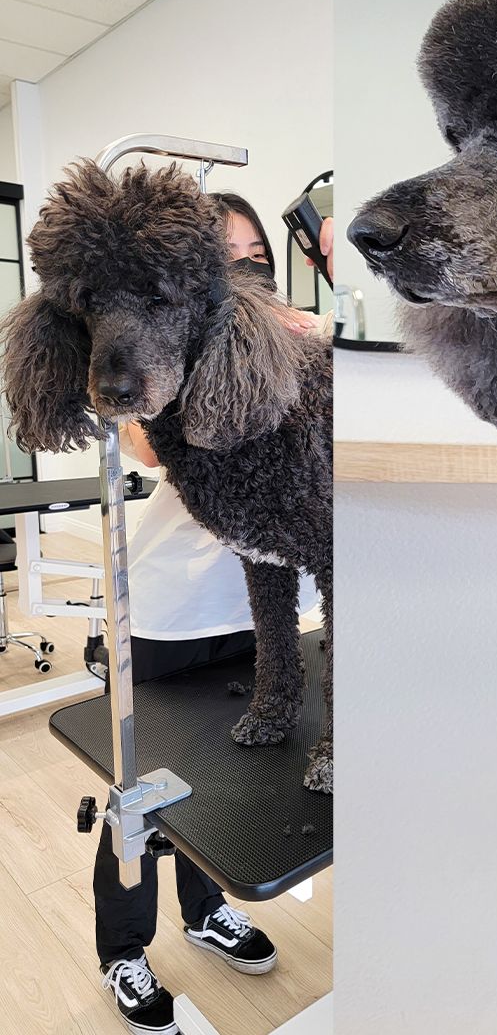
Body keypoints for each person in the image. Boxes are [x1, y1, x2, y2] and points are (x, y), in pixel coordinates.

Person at [97, 192, 328, 1035]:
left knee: (229, 790)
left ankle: (205, 913)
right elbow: (153, 442)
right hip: (174, 604)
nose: (243, 267)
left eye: (253, 252)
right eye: (220, 256)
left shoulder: (300, 335)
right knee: (144, 788)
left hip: (264, 600)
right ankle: (123, 945)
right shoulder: (156, 346)